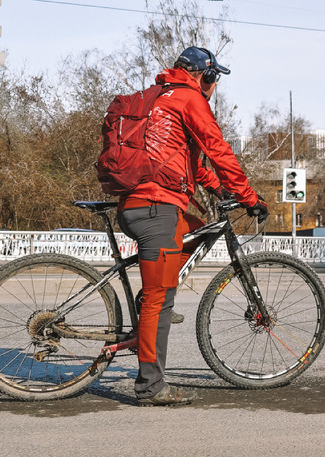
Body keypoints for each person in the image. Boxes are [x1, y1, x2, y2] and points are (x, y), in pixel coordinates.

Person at [116, 46, 268, 406]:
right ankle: (151, 386)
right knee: (158, 300)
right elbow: (218, 150)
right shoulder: (189, 98)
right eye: (214, 79)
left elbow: (193, 163)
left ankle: (154, 302)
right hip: (157, 208)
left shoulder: (158, 97)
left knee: (197, 229)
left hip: (139, 205)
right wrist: (248, 196)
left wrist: (218, 189)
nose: (214, 87)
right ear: (206, 76)